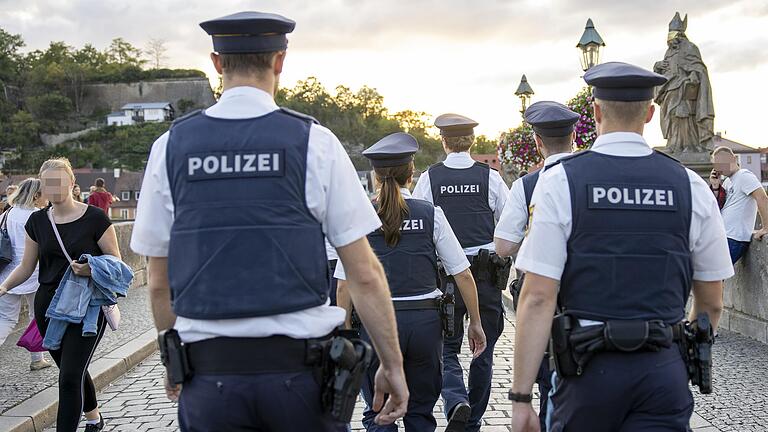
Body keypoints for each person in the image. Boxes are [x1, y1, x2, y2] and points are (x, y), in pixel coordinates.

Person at [130, 11, 408, 432]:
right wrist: (391, 364)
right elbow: (364, 273)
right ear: (280, 61)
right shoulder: (316, 142)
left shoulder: (170, 146)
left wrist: (174, 358)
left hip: (210, 376)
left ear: (217, 63)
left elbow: (157, 280)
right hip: (300, 378)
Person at [509, 62, 734, 432]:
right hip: (661, 368)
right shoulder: (689, 185)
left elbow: (536, 296)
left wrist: (521, 399)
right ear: (649, 113)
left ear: (595, 112)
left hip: (585, 370)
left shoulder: (561, 181)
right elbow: (712, 302)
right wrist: (680, 352)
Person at [335, 133, 487, 431]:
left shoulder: (358, 217)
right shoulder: (431, 214)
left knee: (378, 411)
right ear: (412, 171)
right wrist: (476, 323)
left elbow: (344, 284)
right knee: (420, 412)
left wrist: (347, 332)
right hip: (424, 325)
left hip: (375, 324)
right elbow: (462, 273)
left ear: (375, 177)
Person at [0, 158, 119, 432]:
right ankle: (94, 417)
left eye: (59, 181)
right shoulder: (37, 221)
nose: (53, 187)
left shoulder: (95, 218)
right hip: (48, 309)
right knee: (72, 370)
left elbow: (117, 262)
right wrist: (4, 287)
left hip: (86, 307)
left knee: (68, 377)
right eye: (47, 182)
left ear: (72, 184)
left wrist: (92, 268)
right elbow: (26, 266)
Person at [412, 113, 508, 432]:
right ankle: (474, 419)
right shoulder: (490, 177)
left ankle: (456, 400)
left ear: (444, 141)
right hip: (485, 274)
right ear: (472, 142)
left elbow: (421, 222)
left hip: (446, 275)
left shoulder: (430, 178)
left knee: (446, 345)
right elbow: (508, 225)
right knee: (485, 349)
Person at [494, 101, 579, 430]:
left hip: (543, 293)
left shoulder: (527, 185)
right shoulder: (589, 175)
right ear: (573, 136)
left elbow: (503, 247)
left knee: (548, 378)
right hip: (588, 292)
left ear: (537, 142)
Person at [0, 178, 52, 371]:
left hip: (7, 274)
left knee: (5, 319)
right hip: (35, 273)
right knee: (37, 315)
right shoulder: (39, 216)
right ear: (36, 195)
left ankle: (38, 358)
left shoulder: (7, 214)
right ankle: (37, 358)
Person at [710, 146, 768, 264]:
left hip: (735, 238)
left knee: (712, 277)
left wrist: (766, 228)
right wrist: (716, 186)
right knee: (711, 276)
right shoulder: (727, 181)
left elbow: (762, 198)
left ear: (733, 158)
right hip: (724, 236)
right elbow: (718, 207)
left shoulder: (744, 175)